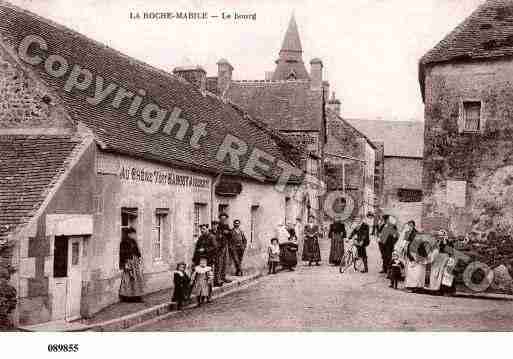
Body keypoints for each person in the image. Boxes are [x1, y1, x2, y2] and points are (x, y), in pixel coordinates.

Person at [119, 227, 144, 302]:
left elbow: (137, 251)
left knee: (137, 279)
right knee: (128, 279)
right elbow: (122, 254)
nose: (134, 235)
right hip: (128, 261)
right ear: (129, 234)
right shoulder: (124, 242)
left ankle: (137, 296)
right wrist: (125, 263)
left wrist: (139, 257)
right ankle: (128, 297)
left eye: (134, 234)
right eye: (133, 234)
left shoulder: (133, 241)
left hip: (135, 262)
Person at [404, 220, 427, 293]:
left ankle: (417, 287)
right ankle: (413, 286)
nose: (410, 227)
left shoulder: (416, 235)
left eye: (411, 226)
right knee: (413, 272)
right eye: (409, 226)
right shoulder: (408, 233)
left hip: (417, 255)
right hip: (412, 255)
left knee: (417, 272)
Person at [216, 213, 232, 284]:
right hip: (219, 247)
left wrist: (228, 232)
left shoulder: (226, 226)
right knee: (219, 263)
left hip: (225, 246)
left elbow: (230, 235)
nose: (223, 220)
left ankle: (223, 277)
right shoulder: (217, 226)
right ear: (219, 219)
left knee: (225, 262)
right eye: (222, 219)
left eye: (225, 219)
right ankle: (218, 279)